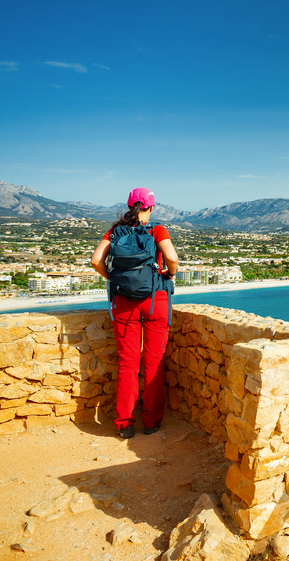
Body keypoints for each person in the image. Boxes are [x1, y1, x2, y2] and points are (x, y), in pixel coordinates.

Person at [91, 188, 179, 439]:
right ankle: (151, 422)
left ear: (129, 206)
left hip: (123, 301)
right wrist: (168, 275)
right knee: (153, 361)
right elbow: (172, 258)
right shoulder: (156, 230)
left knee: (128, 363)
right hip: (155, 300)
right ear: (150, 208)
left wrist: (114, 280)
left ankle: (124, 424)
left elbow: (96, 260)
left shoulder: (115, 231)